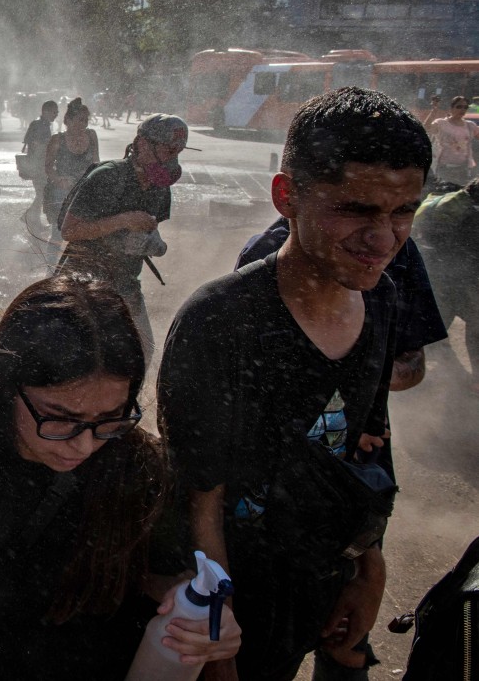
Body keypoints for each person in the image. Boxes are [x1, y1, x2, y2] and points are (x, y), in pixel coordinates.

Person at [158, 87, 432, 680]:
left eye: (403, 211)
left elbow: (368, 438)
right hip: (242, 606)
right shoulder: (219, 322)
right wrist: (218, 648)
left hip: (329, 581)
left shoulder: (381, 299)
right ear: (287, 196)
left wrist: (368, 566)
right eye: (356, 210)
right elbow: (197, 503)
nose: (384, 240)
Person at [0, 276, 241, 681]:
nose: (83, 446)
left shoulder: (142, 470)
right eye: (61, 419)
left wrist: (200, 616)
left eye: (109, 419)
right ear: (6, 383)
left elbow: (165, 580)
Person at [58, 113, 188, 359]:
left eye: (177, 152)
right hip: (83, 280)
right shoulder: (107, 177)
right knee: (77, 356)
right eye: (167, 150)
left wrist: (151, 241)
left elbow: (148, 230)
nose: (172, 159)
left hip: (125, 280)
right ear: (141, 144)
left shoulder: (160, 189)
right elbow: (69, 231)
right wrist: (123, 221)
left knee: (142, 352)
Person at [411, 178, 479, 392]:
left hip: (438, 274)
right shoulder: (474, 216)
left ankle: (409, 373)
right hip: (467, 280)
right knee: (476, 328)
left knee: (431, 326)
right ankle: (476, 380)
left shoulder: (455, 206)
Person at [43, 98, 100, 263]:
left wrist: (93, 179)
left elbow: (96, 161)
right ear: (67, 120)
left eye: (85, 120)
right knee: (57, 232)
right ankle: (50, 268)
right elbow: (48, 168)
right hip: (61, 192)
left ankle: (78, 266)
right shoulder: (57, 140)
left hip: (85, 189)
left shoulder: (91, 135)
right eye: (79, 120)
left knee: (86, 231)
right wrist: (58, 180)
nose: (83, 124)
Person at [423, 95, 479, 186]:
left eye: (465, 107)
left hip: (463, 169)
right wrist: (434, 110)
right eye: (459, 106)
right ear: (451, 108)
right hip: (445, 168)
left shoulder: (470, 125)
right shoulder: (442, 123)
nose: (462, 109)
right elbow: (426, 127)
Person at [20, 100, 58, 235]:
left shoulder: (42, 124)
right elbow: (36, 146)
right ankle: (29, 217)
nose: (56, 115)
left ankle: (33, 220)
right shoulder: (40, 125)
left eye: (57, 112)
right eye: (54, 112)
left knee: (41, 194)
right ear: (45, 111)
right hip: (38, 166)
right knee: (42, 194)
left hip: (39, 165)